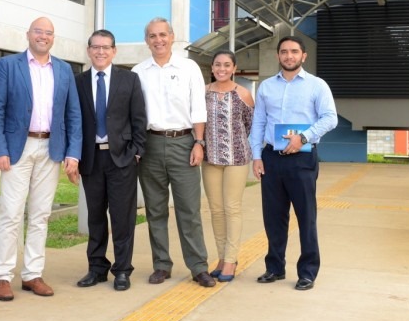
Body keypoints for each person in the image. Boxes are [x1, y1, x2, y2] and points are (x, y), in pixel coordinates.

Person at [0, 17, 82, 301]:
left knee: (41, 215)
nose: (43, 36)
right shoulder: (8, 65)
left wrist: (73, 152)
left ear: (53, 38)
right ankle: (2, 276)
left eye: (48, 33)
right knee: (11, 213)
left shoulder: (65, 70)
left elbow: (73, 114)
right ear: (28, 34)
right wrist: (0, 149)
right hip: (18, 147)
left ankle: (32, 274)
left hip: (50, 149)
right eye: (38, 31)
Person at [131, 18, 216, 288]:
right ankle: (161, 265)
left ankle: (198, 266)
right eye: (153, 36)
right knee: (155, 210)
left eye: (163, 35)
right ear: (147, 40)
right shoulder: (137, 71)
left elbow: (198, 109)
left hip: (184, 143)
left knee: (188, 210)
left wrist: (199, 143)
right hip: (150, 144)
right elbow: (133, 113)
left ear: (172, 37)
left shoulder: (189, 67)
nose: (158, 40)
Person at [249, 36, 337, 291]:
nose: (289, 56)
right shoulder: (266, 87)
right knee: (274, 217)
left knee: (306, 217)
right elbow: (258, 123)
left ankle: (308, 272)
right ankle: (274, 268)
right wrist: (256, 156)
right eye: (284, 52)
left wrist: (304, 137)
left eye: (294, 52)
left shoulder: (317, 86)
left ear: (303, 56)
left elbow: (330, 118)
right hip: (271, 159)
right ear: (278, 56)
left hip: (302, 159)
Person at [73, 30, 147, 291]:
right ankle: (96, 268)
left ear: (114, 51)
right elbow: (74, 120)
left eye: (106, 47)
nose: (101, 52)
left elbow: (139, 119)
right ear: (88, 50)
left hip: (122, 159)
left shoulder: (129, 79)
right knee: (95, 217)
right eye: (96, 47)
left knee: (122, 217)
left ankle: (122, 270)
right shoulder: (78, 82)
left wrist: (136, 151)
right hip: (91, 159)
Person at [202, 51, 254, 283]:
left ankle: (231, 260)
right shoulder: (203, 92)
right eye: (217, 65)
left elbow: (251, 125)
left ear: (234, 67)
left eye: (226, 65)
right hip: (210, 158)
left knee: (232, 208)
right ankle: (222, 258)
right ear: (212, 68)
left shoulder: (243, 94)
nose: (221, 69)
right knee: (216, 209)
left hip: (237, 158)